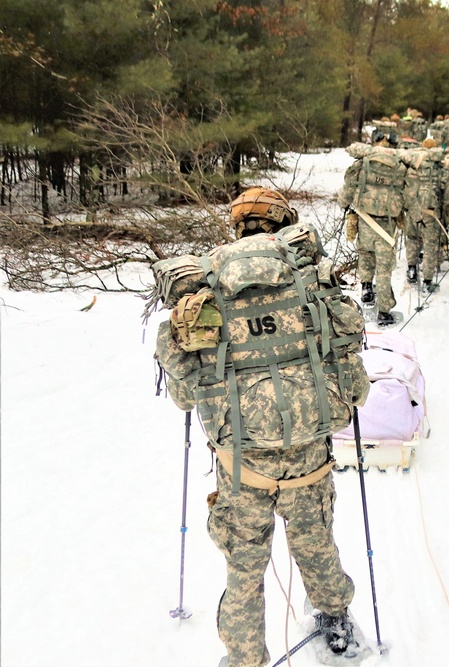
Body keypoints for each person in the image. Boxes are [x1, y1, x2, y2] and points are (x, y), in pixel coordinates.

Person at [153, 188, 373, 667]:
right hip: (309, 460)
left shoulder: (203, 288)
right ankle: (335, 621)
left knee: (244, 570)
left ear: (237, 226)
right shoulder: (310, 281)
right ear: (283, 221)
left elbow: (185, 395)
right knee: (316, 543)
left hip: (240, 468)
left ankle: (245, 658)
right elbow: (352, 380)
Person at [340, 131, 407, 328]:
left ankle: (367, 289)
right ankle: (384, 312)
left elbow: (349, 185)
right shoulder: (399, 166)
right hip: (386, 225)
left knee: (366, 256)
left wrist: (343, 204)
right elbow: (407, 191)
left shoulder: (363, 162)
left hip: (364, 219)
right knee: (384, 269)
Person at [402, 137, 447, 295]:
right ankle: (427, 280)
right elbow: (444, 188)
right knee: (430, 245)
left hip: (412, 209)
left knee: (412, 239)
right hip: (430, 211)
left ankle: (412, 269)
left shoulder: (411, 163)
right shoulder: (438, 166)